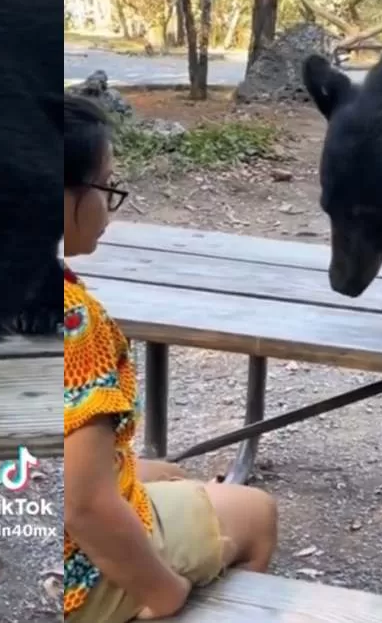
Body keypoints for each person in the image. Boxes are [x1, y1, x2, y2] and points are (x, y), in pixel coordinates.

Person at [62, 95, 279, 622]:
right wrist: (167, 593)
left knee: (171, 474)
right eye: (106, 186)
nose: (111, 204)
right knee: (258, 513)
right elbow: (84, 506)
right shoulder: (75, 323)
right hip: (74, 576)